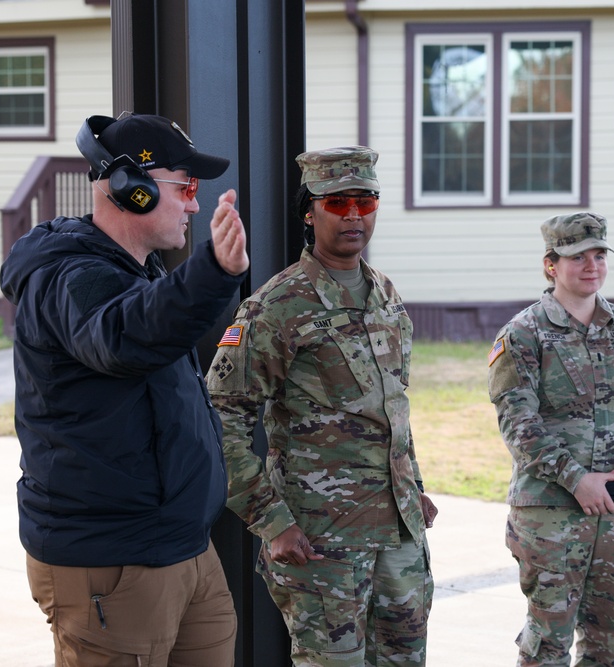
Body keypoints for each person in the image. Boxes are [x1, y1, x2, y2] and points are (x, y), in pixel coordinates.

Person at [0, 112, 247, 666]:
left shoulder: (139, 270)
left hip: (182, 545)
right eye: (184, 186)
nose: (193, 203)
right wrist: (212, 272)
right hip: (111, 562)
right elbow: (121, 335)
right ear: (129, 190)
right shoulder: (70, 277)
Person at [206, 146, 437, 666]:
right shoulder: (278, 304)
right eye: (337, 203)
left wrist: (413, 487)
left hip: (398, 535)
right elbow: (221, 414)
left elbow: (392, 407)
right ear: (309, 212)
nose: (354, 214)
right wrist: (271, 521)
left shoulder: (385, 294)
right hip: (322, 542)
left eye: (365, 200)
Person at [487, 212, 614, 667]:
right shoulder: (523, 334)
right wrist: (576, 480)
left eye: (599, 255)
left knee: (609, 638)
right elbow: (519, 424)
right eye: (577, 257)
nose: (591, 266)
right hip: (552, 515)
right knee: (548, 642)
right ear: (551, 264)